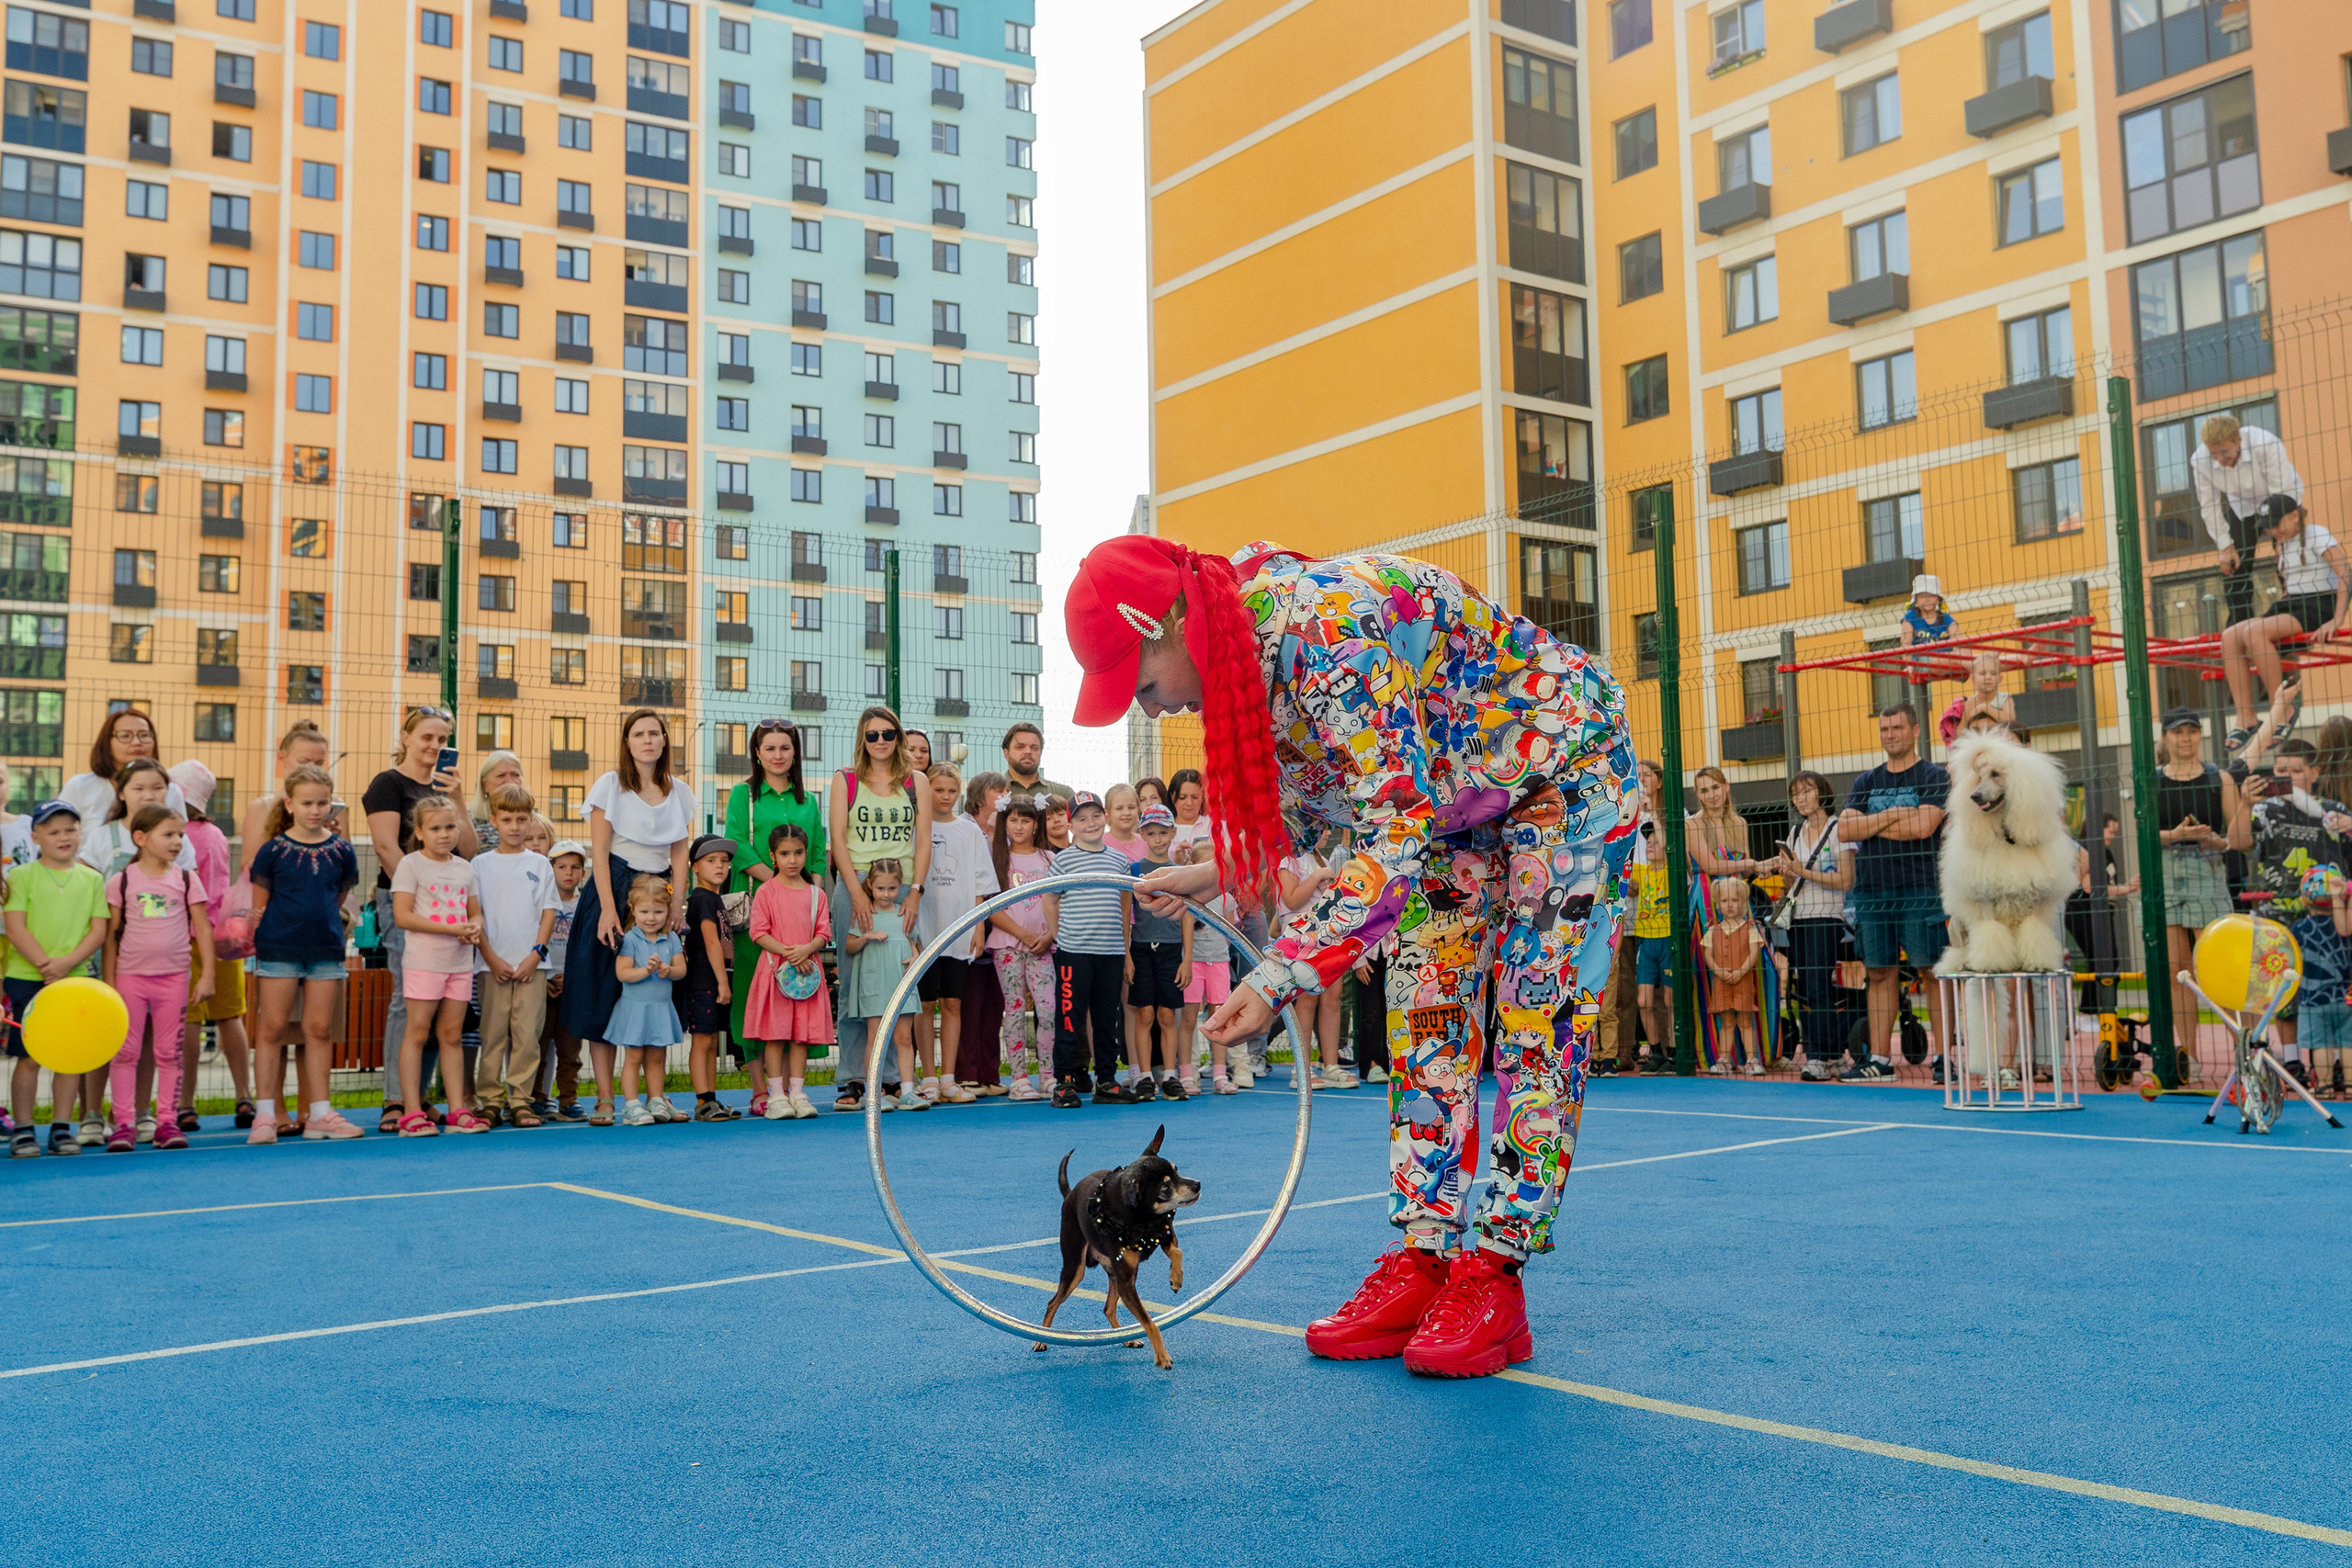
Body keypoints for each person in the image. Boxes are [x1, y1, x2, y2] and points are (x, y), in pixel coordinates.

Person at [1071, 535, 1635, 1378]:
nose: (1149, 710)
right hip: (1454, 803)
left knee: (1537, 1015)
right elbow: (1319, 809)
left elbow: (1392, 827)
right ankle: (1425, 1255)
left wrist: (1280, 973)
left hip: (1564, 768)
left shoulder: (1327, 631)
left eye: (1144, 685)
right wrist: (1211, 873)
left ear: (1173, 624)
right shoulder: (1243, 655)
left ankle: (1496, 1271)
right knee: (1428, 1014)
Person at [565, 709, 698, 1128]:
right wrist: (608, 908)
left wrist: (678, 902)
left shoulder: (679, 791)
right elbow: (599, 852)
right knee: (604, 992)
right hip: (614, 887)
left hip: (660, 892)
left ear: (664, 741)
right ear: (627, 741)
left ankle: (655, 1097)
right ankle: (607, 1098)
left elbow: (679, 851)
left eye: (654, 733)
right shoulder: (610, 785)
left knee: (657, 988)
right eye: (638, 734)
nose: (647, 740)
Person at [364, 705, 474, 1128]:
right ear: (406, 738)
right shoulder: (387, 784)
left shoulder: (447, 790)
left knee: (441, 1009)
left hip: (449, 908)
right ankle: (397, 1099)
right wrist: (420, 896)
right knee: (405, 1002)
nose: (434, 746)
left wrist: (459, 799)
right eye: (427, 737)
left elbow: (468, 854)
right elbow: (388, 847)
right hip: (406, 902)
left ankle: (422, 1094)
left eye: (442, 739)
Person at [246, 764, 363, 1143]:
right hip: (278, 949)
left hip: (326, 949)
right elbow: (259, 906)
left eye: (323, 803)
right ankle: (264, 1115)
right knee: (273, 1027)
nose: (316, 810)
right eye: (307, 803)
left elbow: (338, 898)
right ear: (289, 804)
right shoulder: (272, 851)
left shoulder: (342, 851)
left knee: (319, 1029)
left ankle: (318, 1114)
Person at [2226, 735, 2352, 1074]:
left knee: (2331, 986)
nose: (2285, 777)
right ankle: (2293, 1060)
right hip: (2276, 912)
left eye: (2295, 771)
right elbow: (2237, 842)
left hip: (2329, 917)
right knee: (2281, 990)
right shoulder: (2265, 808)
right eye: (2279, 770)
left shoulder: (2335, 811)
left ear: (2314, 773)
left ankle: (2337, 1061)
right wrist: (2244, 804)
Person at [827, 705, 931, 1111]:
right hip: (856, 889)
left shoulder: (915, 781)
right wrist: (854, 891)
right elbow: (837, 836)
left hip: (901, 889)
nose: (881, 741)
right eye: (872, 735)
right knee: (856, 985)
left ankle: (891, 1080)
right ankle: (853, 1077)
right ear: (862, 739)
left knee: (900, 984)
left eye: (888, 734)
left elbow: (923, 840)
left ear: (899, 737)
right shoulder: (845, 779)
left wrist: (917, 890)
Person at [724, 719, 827, 1105]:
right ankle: (760, 1089)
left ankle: (791, 1089)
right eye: (770, 748)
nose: (778, 755)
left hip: (801, 912)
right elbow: (736, 842)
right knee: (757, 996)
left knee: (796, 993)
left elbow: (817, 848)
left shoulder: (808, 801)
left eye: (785, 748)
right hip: (757, 907)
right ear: (757, 753)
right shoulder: (743, 795)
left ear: (794, 752)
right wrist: (777, 886)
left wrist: (808, 889)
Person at [99, 805, 212, 1152]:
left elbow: (203, 929)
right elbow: (111, 937)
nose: (178, 841)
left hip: (174, 979)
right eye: (169, 834)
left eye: (180, 834)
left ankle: (166, 1123)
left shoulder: (185, 878)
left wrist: (206, 974)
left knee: (168, 1052)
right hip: (130, 979)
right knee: (125, 1052)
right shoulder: (123, 881)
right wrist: (109, 984)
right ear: (141, 838)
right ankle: (123, 1125)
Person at [5, 801, 108, 1157]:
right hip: (26, 978)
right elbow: (15, 927)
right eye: (53, 831)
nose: (64, 837)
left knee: (69, 1057)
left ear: (81, 833)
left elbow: (98, 930)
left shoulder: (92, 879)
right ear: (35, 837)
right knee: (29, 1056)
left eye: (70, 829)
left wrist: (66, 965)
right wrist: (44, 964)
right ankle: (23, 1129)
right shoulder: (20, 877)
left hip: (75, 979)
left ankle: (62, 1128)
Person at [389, 795, 486, 1137]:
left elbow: (474, 911)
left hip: (459, 965)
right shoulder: (410, 865)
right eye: (435, 828)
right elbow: (403, 916)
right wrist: (452, 930)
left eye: (450, 827)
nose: (444, 834)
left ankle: (458, 1109)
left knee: (451, 1035)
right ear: (419, 832)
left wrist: (473, 928)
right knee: (417, 1032)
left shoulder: (464, 867)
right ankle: (411, 1112)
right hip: (424, 963)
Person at [2218, 504, 2346, 754]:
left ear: (2295, 516)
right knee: (2230, 635)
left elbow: (2345, 574)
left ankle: (2283, 708)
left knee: (2254, 632)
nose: (2271, 530)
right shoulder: (2281, 545)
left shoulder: (2317, 535)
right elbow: (2291, 586)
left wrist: (2338, 619)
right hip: (2292, 602)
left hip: (2319, 602)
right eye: (2268, 526)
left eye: (2276, 524)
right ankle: (2246, 716)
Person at [471, 784, 560, 1129]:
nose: (514, 826)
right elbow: (474, 913)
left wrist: (535, 956)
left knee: (527, 1035)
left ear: (530, 819)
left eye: (521, 819)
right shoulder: (479, 865)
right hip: (491, 966)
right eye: (506, 819)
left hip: (532, 967)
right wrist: (490, 957)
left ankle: (521, 1100)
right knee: (493, 1034)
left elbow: (549, 912)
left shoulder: (540, 864)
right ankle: (491, 1100)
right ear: (493, 820)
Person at [2154, 707, 2237, 1075]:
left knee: (2218, 967)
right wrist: (2176, 835)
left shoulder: (2220, 778)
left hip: (2207, 868)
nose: (2185, 738)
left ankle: (2244, 1049)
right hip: (2166, 873)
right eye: (2177, 732)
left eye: (2192, 731)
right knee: (2177, 972)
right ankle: (2188, 1055)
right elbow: (2141, 835)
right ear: (2164, 738)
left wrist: (2215, 840)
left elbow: (2239, 840)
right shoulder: (2151, 780)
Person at [164, 761, 242, 1137]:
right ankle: (245, 1096)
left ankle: (185, 1103)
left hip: (189, 933)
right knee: (231, 1016)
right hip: (224, 932)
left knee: (190, 1020)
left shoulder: (178, 835)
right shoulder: (216, 834)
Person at [911, 762, 992, 1104]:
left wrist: (978, 926)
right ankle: (928, 1077)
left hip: (958, 930)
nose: (944, 797)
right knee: (925, 1004)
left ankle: (948, 1079)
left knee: (953, 1003)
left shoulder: (969, 830)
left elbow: (980, 883)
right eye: (937, 790)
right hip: (924, 928)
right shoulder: (917, 826)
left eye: (951, 790)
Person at [1047, 791, 1134, 1108]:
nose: (1090, 823)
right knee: (1070, 1016)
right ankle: (1065, 1081)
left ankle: (1106, 1079)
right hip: (1074, 953)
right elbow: (1049, 899)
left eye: (1096, 816)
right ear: (1071, 825)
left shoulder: (1118, 860)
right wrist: (1060, 938)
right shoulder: (1064, 860)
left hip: (1110, 952)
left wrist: (1125, 949)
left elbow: (1126, 903)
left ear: (1105, 818)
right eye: (1082, 818)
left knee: (1106, 1017)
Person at [1769, 772, 1856, 1083]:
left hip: (1827, 916)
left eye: (1806, 791)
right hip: (1799, 918)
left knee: (1818, 985)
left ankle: (1819, 1055)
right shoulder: (1795, 832)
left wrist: (1802, 870)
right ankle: (1830, 1055)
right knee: (1808, 987)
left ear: (1822, 792)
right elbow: (1791, 881)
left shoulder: (1837, 829)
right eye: (1796, 794)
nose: (1801, 798)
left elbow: (1846, 879)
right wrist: (1787, 872)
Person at [745, 824, 831, 1121]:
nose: (792, 860)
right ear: (772, 856)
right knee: (775, 1035)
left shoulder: (816, 894)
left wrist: (806, 950)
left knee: (800, 1037)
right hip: (774, 974)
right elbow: (758, 932)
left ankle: (798, 1093)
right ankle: (777, 1095)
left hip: (806, 975)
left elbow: (823, 933)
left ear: (806, 854)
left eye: (798, 853)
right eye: (784, 853)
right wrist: (789, 952)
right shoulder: (766, 891)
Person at [2193, 412, 2305, 631]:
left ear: (2239, 440)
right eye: (2214, 454)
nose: (2220, 460)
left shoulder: (2266, 444)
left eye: (2225, 452)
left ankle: (2297, 615)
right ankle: (2240, 624)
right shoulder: (2200, 461)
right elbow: (2209, 505)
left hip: (2281, 501)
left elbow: (2281, 492)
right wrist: (2224, 546)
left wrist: (2281, 540)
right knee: (2234, 565)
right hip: (2242, 506)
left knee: (2289, 556)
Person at [842, 859, 926, 1111]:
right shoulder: (865, 915)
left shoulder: (905, 913)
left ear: (900, 886)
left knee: (903, 1038)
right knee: (876, 1038)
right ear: (870, 885)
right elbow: (849, 947)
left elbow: (917, 946)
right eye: (880, 889)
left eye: (891, 889)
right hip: (874, 983)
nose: (886, 894)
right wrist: (866, 937)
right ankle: (873, 1092)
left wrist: (915, 958)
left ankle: (908, 1092)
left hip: (901, 982)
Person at [988, 795, 1057, 1100]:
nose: (1019, 826)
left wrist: (1049, 935)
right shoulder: (997, 858)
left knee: (1048, 1007)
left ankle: (1047, 1075)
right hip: (1007, 945)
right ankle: (1018, 1078)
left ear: (1035, 823)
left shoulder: (1050, 859)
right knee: (1013, 1008)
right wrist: (1024, 935)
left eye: (1025, 820)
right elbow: (991, 907)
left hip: (1044, 946)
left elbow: (1058, 901)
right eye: (1013, 819)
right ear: (1004, 821)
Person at [1126, 803, 1193, 1100]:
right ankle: (1143, 1077)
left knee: (1168, 1014)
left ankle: (1169, 1075)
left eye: (1163, 833)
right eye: (1151, 833)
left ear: (1172, 833)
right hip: (1141, 949)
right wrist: (1127, 956)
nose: (1157, 839)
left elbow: (1188, 916)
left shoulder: (1181, 873)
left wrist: (1187, 958)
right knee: (1145, 1013)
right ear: (1142, 834)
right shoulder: (1135, 871)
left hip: (1170, 950)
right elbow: (1125, 916)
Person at [609, 878, 688, 1125]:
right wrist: (646, 971)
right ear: (633, 909)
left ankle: (656, 1099)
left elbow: (682, 970)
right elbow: (623, 973)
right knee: (633, 1057)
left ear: (669, 911)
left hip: (660, 1009)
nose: (651, 917)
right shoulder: (630, 940)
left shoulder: (672, 939)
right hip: (635, 1010)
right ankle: (632, 1105)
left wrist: (668, 971)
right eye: (644, 911)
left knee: (656, 1057)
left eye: (658, 911)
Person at [1277, 838, 1352, 1089]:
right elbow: (1291, 900)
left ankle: (1330, 1064)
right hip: (1302, 938)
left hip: (1327, 935)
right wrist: (1317, 877)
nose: (1322, 832)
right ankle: (1302, 1067)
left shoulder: (1322, 858)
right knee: (1307, 999)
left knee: (1333, 996)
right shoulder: (1289, 861)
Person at [955, 771, 1012, 1096]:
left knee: (994, 1006)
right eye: (998, 791)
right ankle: (967, 1073)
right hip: (973, 925)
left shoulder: (1007, 833)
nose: (1005, 795)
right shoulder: (963, 828)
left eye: (1007, 790)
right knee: (968, 1004)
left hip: (1002, 933)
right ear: (979, 797)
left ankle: (991, 1074)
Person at [679, 834, 741, 1122]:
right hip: (705, 981)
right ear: (694, 867)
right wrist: (722, 981)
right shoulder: (703, 900)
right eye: (711, 861)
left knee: (713, 1042)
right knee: (702, 1041)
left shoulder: (714, 898)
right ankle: (702, 1101)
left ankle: (711, 1099)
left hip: (714, 980)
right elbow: (711, 941)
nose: (720, 866)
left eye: (724, 861)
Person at [1176, 841, 1240, 1094]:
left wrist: (1219, 953)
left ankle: (1219, 1075)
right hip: (1194, 964)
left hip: (1220, 963)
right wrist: (1189, 960)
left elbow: (1231, 933)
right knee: (1189, 1019)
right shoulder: (1188, 899)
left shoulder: (1227, 899)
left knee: (1219, 1019)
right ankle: (1186, 1074)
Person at [2065, 812, 2139, 1020]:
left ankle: (2101, 1011)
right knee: (2101, 960)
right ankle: (2091, 1012)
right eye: (2110, 831)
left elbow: (2106, 885)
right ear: (2097, 829)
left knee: (2107, 960)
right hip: (2084, 912)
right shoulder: (2089, 849)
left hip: (2101, 912)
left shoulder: (2104, 852)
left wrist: (2125, 887)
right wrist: (2125, 889)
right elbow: (2090, 887)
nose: (2112, 836)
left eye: (2115, 832)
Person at [62, 708, 187, 829]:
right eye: (125, 736)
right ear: (107, 742)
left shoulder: (171, 791)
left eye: (144, 735)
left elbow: (179, 840)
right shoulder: (80, 786)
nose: (137, 742)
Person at [540, 839, 588, 1120]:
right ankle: (537, 1098)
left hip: (573, 988)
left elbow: (587, 950)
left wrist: (571, 978)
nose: (568, 872)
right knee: (538, 1047)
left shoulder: (585, 907)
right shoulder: (541, 904)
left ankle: (569, 1099)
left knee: (570, 1051)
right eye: (561, 867)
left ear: (583, 872)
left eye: (575, 867)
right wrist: (545, 977)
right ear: (551, 870)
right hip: (544, 985)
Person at [1702, 875, 1763, 1077]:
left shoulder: (1750, 928)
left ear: (1743, 902)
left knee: (1745, 1021)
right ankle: (1724, 1059)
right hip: (1721, 982)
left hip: (1742, 981)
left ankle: (1752, 1059)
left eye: (1734, 900)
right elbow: (1707, 954)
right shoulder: (1713, 929)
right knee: (1726, 1022)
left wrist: (1740, 971)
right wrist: (1718, 971)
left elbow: (1754, 953)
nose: (1730, 905)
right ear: (1718, 904)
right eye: (1725, 901)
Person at [1000, 720, 1070, 807]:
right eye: (1020, 747)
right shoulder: (993, 793)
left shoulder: (1062, 794)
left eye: (1034, 748)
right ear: (1006, 753)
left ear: (1041, 753)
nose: (1028, 751)